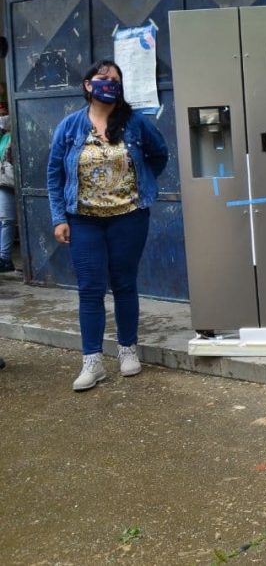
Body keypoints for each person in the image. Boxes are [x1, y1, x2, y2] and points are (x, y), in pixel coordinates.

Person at [46, 60, 169, 392]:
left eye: (115, 80)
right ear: (88, 85)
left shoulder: (135, 123)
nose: (109, 84)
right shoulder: (70, 127)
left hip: (128, 218)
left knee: (124, 284)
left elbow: (160, 154)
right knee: (90, 289)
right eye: (103, 78)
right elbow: (54, 174)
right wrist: (59, 217)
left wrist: (139, 183)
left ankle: (128, 350)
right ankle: (92, 362)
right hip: (83, 221)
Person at [0, 113, 16, 273]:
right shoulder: (4, 137)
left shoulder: (14, 137)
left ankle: (4, 258)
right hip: (3, 181)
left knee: (7, 220)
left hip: (9, 182)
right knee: (4, 220)